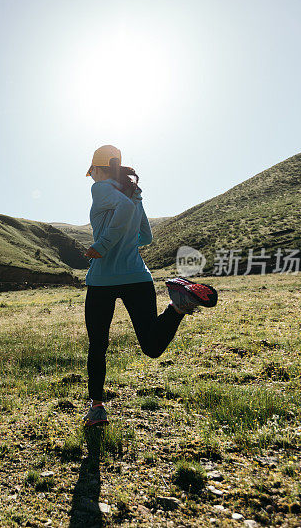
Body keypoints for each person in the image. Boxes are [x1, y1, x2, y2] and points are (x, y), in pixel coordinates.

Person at [82, 145, 218, 427]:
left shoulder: (101, 189)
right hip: (137, 276)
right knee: (152, 345)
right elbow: (145, 236)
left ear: (98, 168)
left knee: (98, 345)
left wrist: (105, 244)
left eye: (92, 172)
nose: (91, 177)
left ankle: (97, 410)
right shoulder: (133, 194)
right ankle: (178, 306)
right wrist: (125, 240)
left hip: (103, 280)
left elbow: (123, 212)